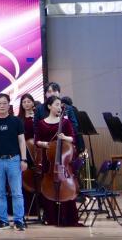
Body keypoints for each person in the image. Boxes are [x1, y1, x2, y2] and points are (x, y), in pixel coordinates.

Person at [0, 93, 27, 231]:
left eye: (4, 103)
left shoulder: (16, 121)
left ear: (9, 105)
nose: (2, 105)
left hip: (14, 160)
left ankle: (19, 221)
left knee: (17, 192)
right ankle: (3, 221)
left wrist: (23, 159)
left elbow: (22, 141)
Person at [34, 95, 79, 227]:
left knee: (65, 184)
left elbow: (73, 139)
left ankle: (68, 217)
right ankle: (51, 217)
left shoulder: (65, 122)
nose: (59, 107)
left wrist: (64, 137)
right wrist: (44, 144)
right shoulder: (41, 123)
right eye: (56, 105)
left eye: (60, 105)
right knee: (48, 187)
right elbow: (37, 141)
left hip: (63, 161)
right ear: (49, 106)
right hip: (49, 161)